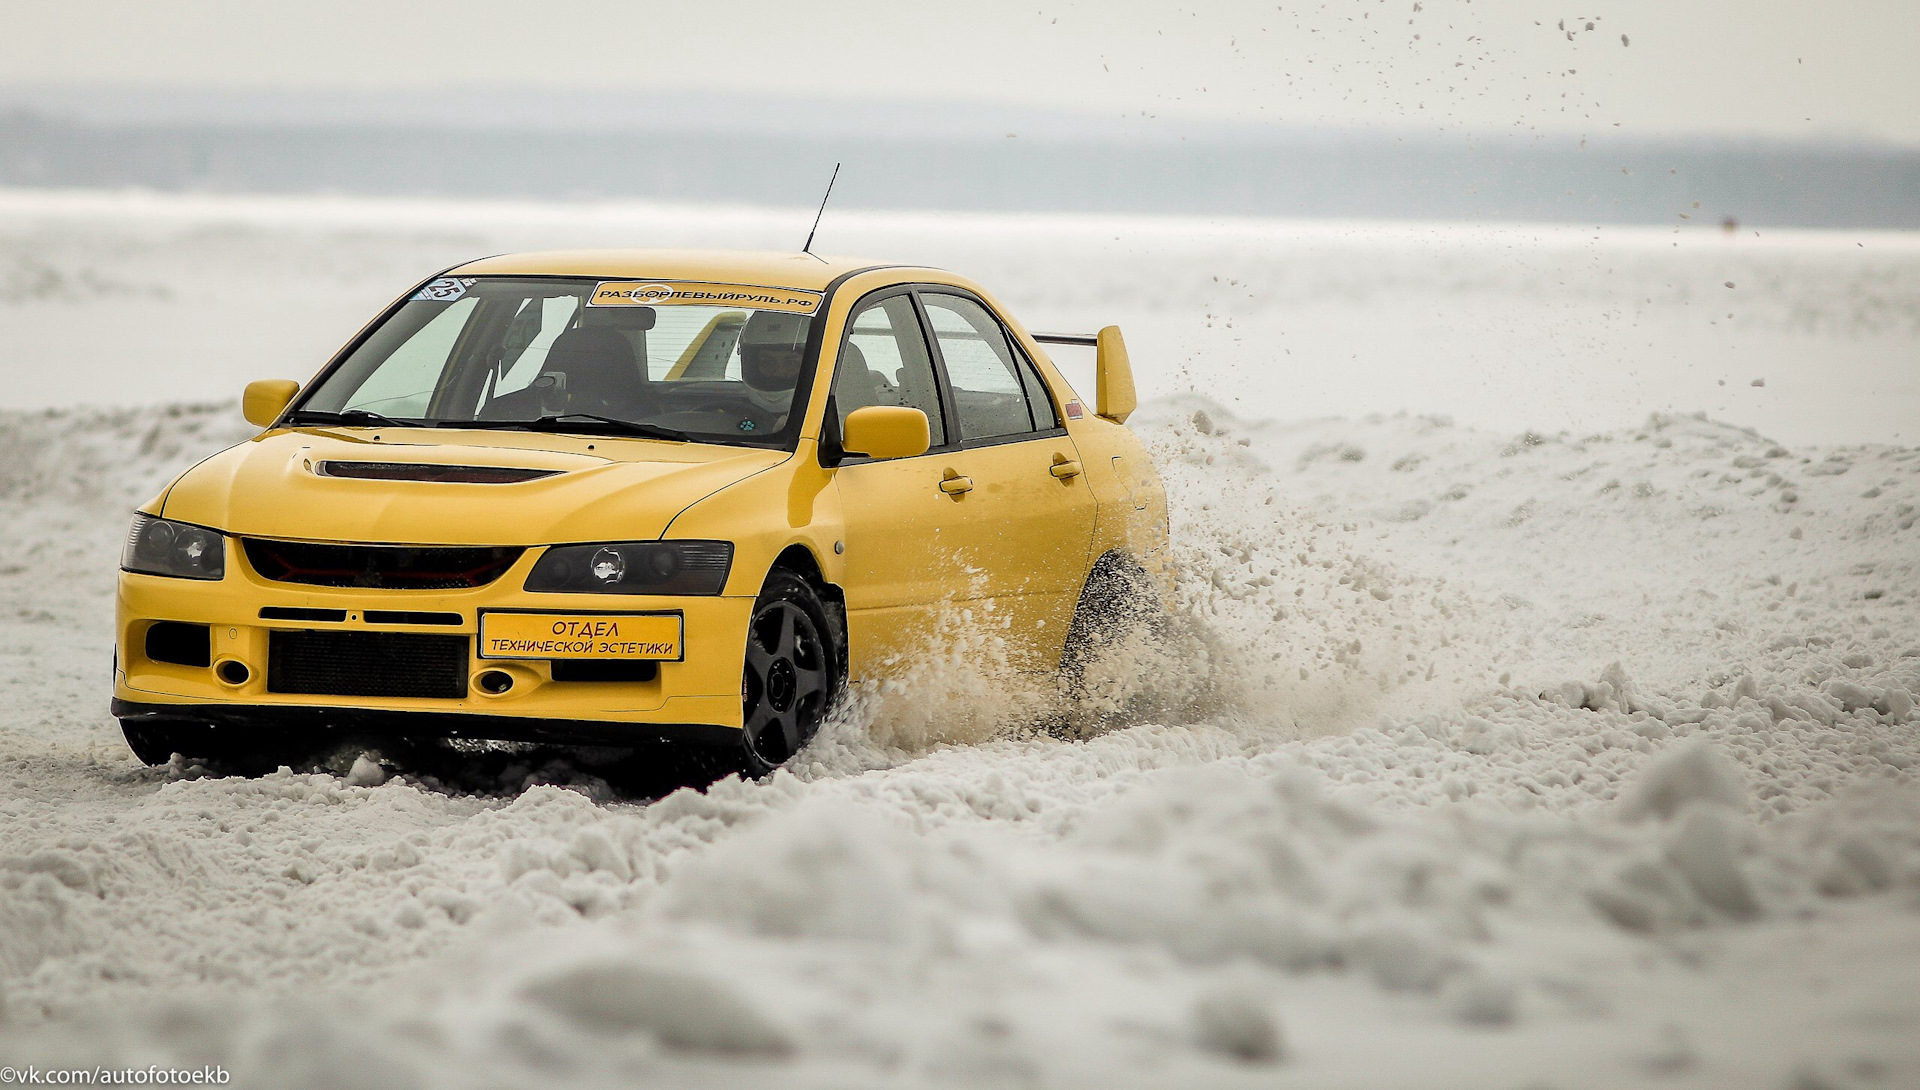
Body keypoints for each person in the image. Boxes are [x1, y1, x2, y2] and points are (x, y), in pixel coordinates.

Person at [733, 311, 811, 433]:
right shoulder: (726, 411)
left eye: (791, 363)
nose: (779, 372)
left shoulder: (835, 412)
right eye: (767, 363)